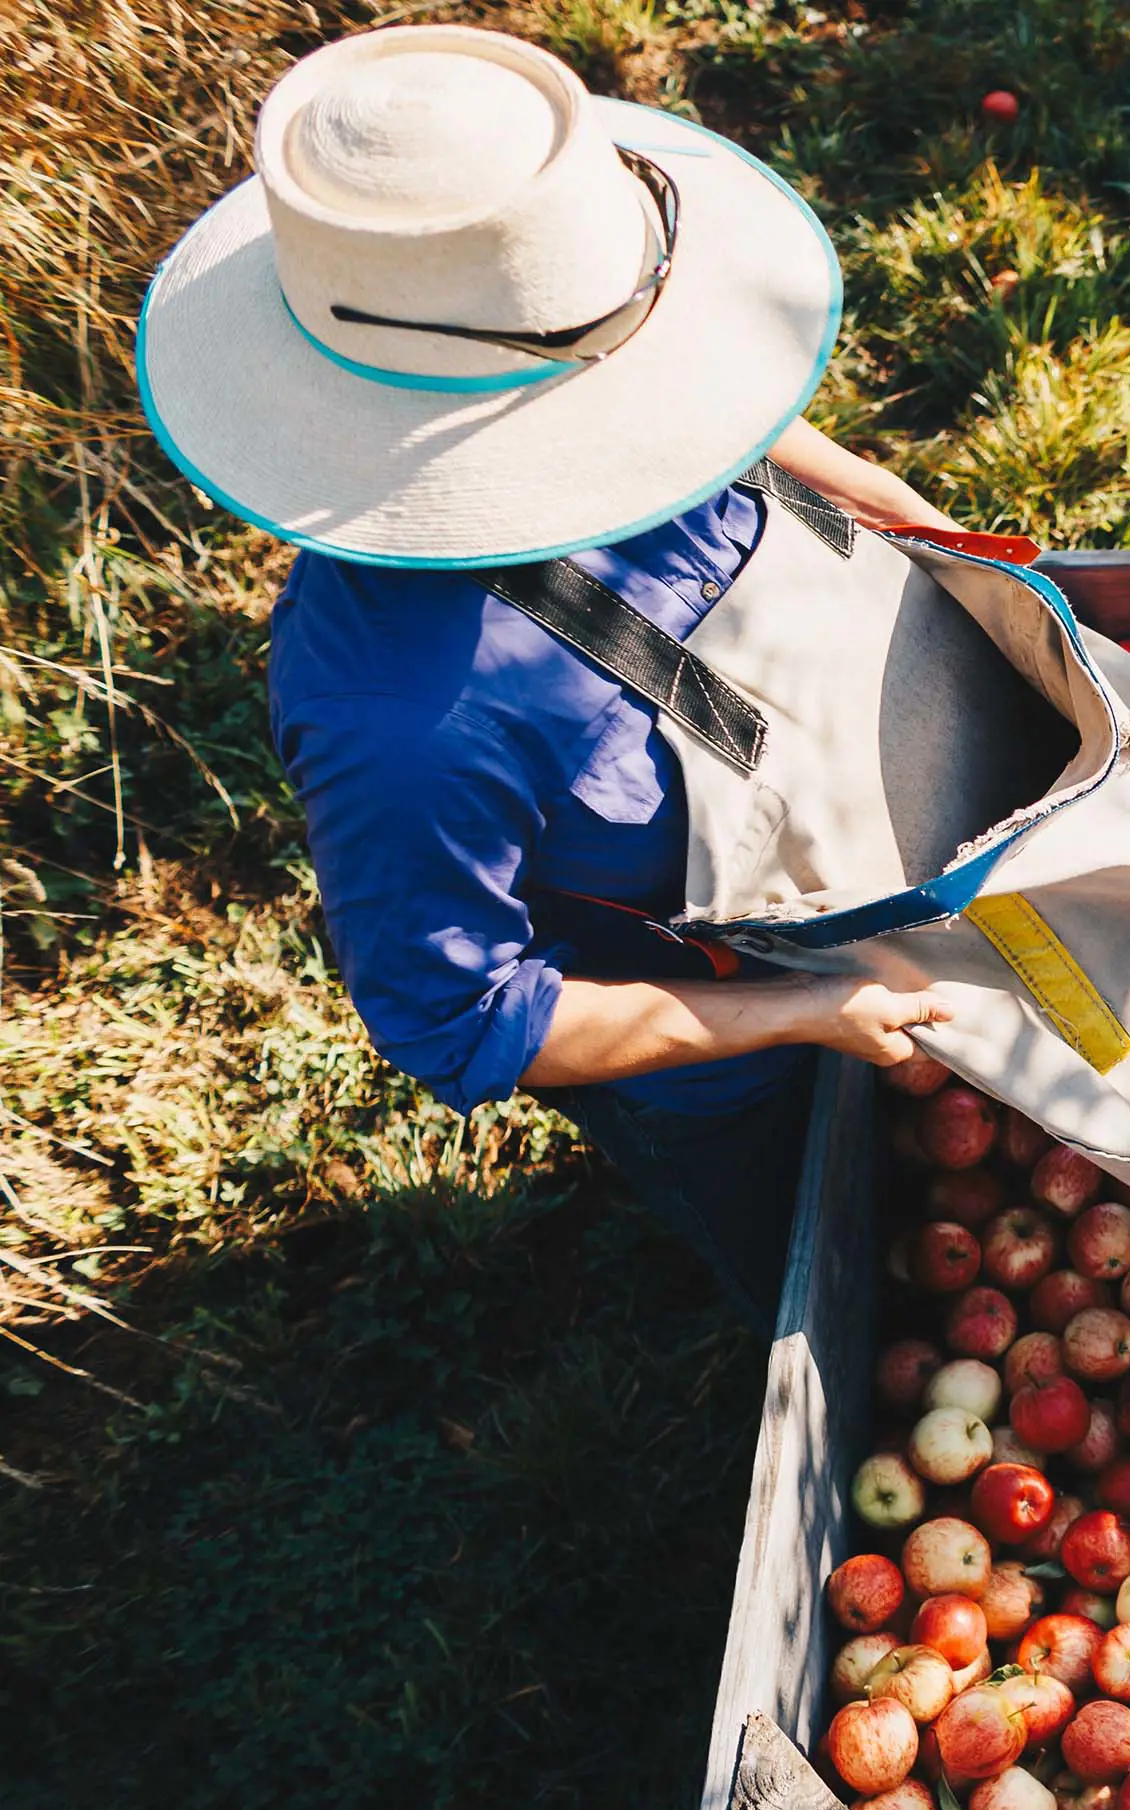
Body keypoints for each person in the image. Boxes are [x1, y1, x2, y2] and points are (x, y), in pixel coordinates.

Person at [138, 26, 979, 1323]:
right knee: (850, 1267)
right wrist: (803, 1015)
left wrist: (911, 527)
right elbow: (464, 1015)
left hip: (893, 852)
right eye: (609, 368)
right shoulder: (407, 719)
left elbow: (716, 399)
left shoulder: (619, 353)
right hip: (726, 1048)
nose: (660, 390)